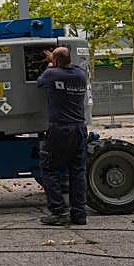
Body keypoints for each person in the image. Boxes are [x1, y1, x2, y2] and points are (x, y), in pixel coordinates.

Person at [36, 46, 90, 227]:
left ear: (56, 61)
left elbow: (39, 82)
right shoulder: (80, 75)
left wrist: (51, 63)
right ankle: (79, 214)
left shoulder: (51, 74)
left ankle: (58, 211)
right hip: (79, 128)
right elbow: (69, 67)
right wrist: (56, 60)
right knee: (78, 172)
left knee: (50, 169)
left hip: (60, 130)